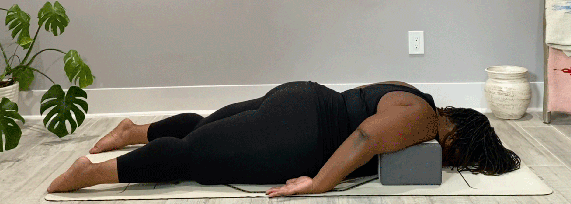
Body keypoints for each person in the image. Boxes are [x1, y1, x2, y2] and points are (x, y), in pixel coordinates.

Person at [47, 81, 521, 196]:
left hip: (301, 98)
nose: (451, 159)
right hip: (304, 134)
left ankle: (132, 131)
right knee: (198, 157)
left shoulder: (415, 96)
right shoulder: (422, 120)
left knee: (209, 126)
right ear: (456, 132)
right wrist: (318, 184)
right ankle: (92, 174)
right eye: (460, 154)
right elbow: (363, 139)